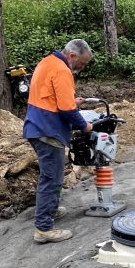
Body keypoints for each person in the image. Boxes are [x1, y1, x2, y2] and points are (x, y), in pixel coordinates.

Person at [23, 40, 94, 243]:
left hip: (36, 126)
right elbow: (67, 110)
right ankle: (43, 228)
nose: (82, 67)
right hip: (48, 129)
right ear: (72, 56)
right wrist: (84, 126)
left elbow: (52, 98)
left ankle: (50, 210)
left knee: (51, 175)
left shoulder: (47, 62)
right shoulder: (63, 70)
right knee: (52, 178)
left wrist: (73, 101)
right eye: (82, 63)